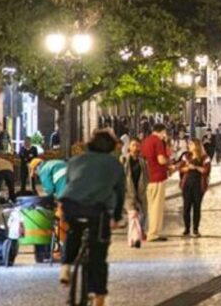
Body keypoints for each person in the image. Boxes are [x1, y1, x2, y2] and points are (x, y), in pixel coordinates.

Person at [58, 131, 126, 306]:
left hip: (70, 205)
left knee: (73, 232)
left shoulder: (75, 161)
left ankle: (66, 267)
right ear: (111, 147)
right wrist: (116, 217)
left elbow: (68, 184)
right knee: (98, 254)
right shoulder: (114, 165)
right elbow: (119, 193)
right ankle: (99, 296)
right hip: (96, 211)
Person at [140, 123, 172, 242]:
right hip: (158, 176)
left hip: (148, 178)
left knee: (151, 207)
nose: (165, 135)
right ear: (162, 131)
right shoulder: (157, 141)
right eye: (164, 132)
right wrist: (169, 161)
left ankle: (151, 231)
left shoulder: (145, 141)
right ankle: (153, 233)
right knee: (156, 208)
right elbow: (161, 159)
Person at [178, 138, 211, 237]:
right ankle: (187, 229)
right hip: (187, 184)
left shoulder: (204, 157)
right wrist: (187, 168)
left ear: (196, 146)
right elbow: (180, 168)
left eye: (191, 144)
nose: (189, 146)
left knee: (197, 207)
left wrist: (196, 167)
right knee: (186, 207)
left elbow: (206, 170)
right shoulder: (186, 156)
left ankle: (195, 229)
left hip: (198, 185)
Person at [123, 138, 149, 248]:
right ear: (129, 147)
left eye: (138, 146)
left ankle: (135, 237)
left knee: (142, 215)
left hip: (141, 193)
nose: (136, 148)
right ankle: (135, 238)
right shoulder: (124, 161)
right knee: (133, 216)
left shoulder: (142, 162)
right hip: (128, 193)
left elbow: (147, 177)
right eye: (133, 145)